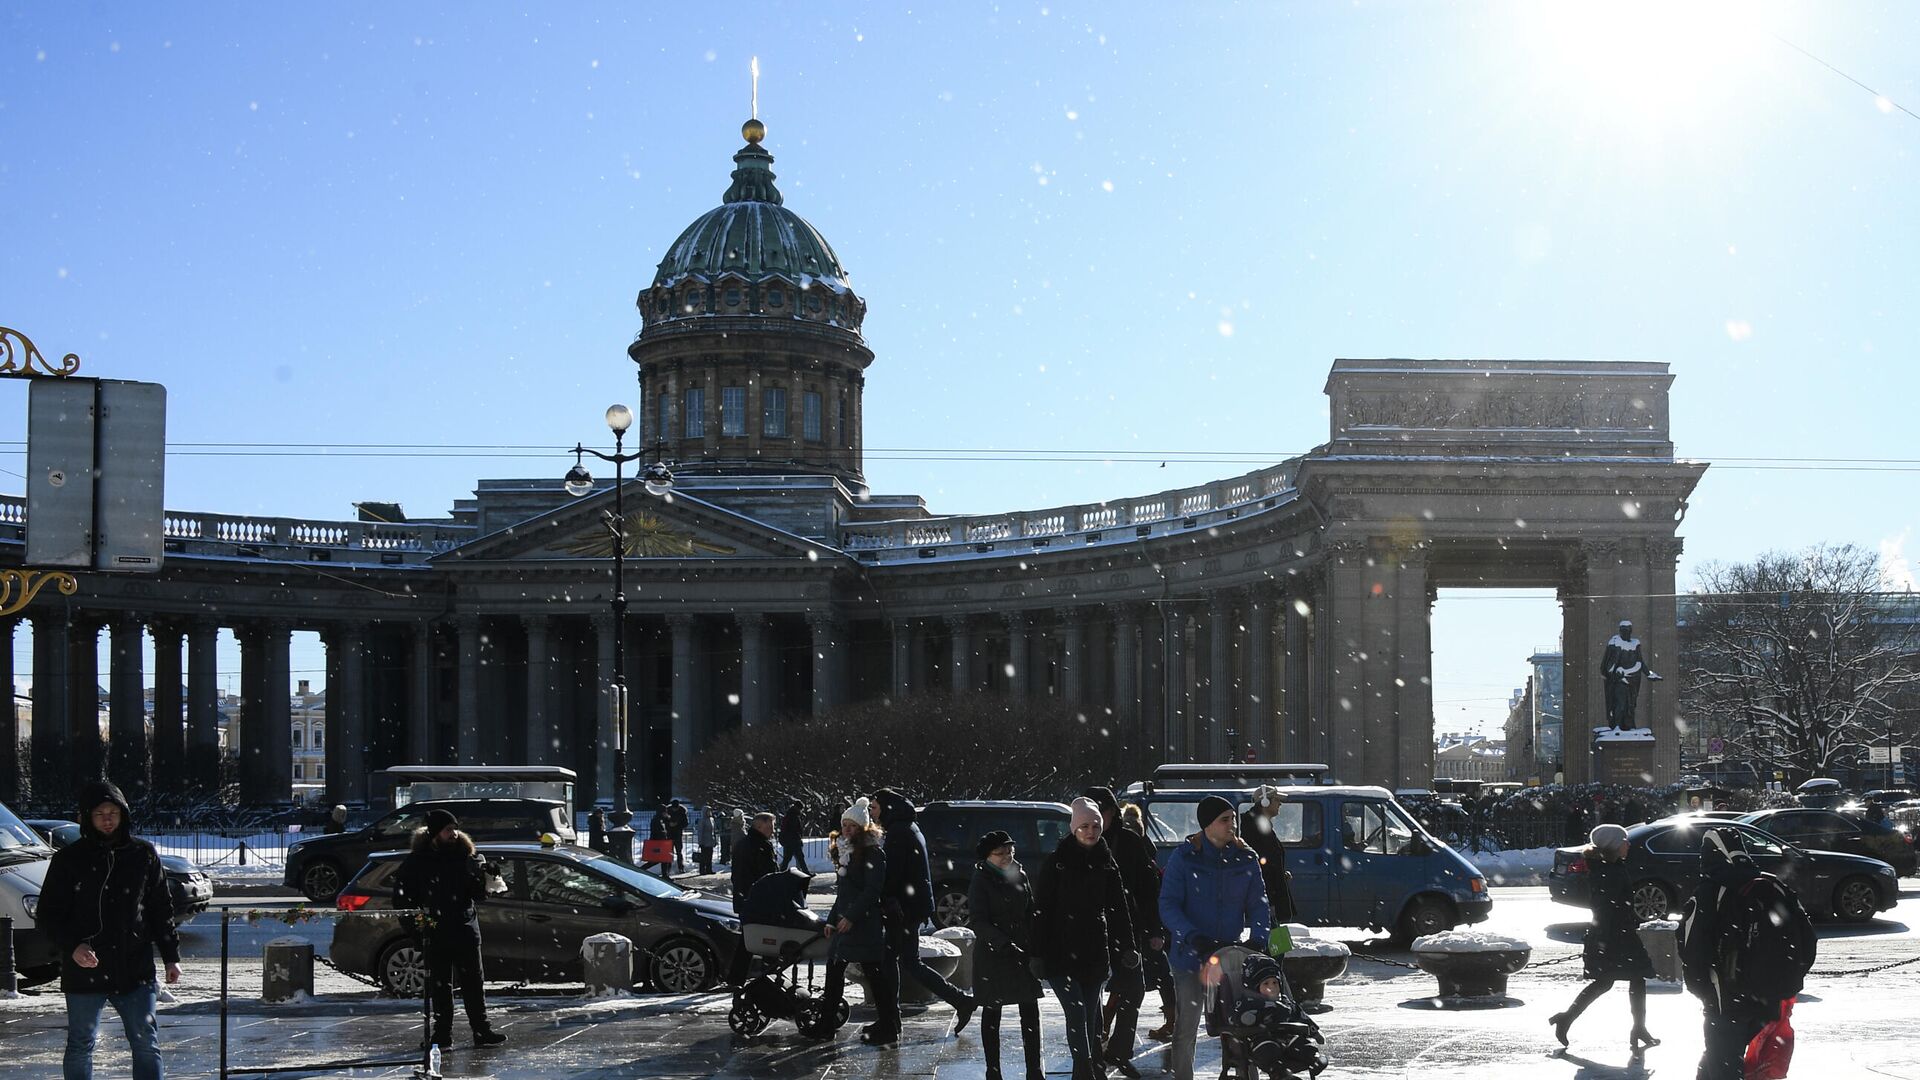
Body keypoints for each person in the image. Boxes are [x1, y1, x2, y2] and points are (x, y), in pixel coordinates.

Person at [39, 780, 181, 1080]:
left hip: (134, 966)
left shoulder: (143, 854)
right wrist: (73, 946)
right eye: (100, 813)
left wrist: (171, 956)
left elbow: (160, 909)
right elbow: (49, 916)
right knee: (81, 1043)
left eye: (113, 812)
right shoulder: (68, 860)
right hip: (84, 968)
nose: (107, 819)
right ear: (87, 817)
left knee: (145, 1041)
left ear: (123, 814)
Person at [1679, 828, 1816, 1080]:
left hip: (1725, 1001)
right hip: (1769, 999)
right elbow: (1807, 940)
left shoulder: (1709, 891)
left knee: (1723, 1062)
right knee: (1731, 1062)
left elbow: (1692, 949)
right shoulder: (1773, 885)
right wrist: (1785, 981)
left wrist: (1704, 991)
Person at [1160, 795, 1271, 1080]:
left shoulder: (1245, 857)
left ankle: (1242, 1073)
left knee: (1241, 1023)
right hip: (1190, 955)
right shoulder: (1184, 857)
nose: (1232, 824)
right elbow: (1168, 904)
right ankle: (1183, 1075)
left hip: (1231, 955)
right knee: (1187, 1025)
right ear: (1207, 825)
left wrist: (1258, 938)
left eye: (1233, 818)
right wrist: (1192, 935)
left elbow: (1258, 903)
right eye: (1225, 819)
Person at [1034, 797, 1138, 1080]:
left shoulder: (1106, 862)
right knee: (1078, 1013)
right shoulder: (1057, 863)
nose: (1091, 831)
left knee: (1092, 1016)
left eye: (1095, 825)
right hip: (1061, 951)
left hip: (1094, 951)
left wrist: (1128, 947)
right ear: (1073, 828)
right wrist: (1036, 953)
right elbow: (1041, 909)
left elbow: (1118, 909)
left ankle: (1093, 1067)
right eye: (1084, 826)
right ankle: (1084, 1070)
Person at [393, 808, 507, 1050]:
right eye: (448, 829)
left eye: (455, 828)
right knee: (440, 986)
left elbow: (478, 895)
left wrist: (487, 877)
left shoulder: (466, 857)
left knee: (473, 983)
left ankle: (481, 1030)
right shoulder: (418, 861)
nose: (454, 833)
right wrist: (418, 930)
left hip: (465, 928)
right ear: (435, 833)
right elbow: (403, 900)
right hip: (436, 931)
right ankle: (442, 1035)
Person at [872, 788, 977, 1034]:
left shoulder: (898, 832)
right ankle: (960, 1001)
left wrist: (883, 895)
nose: (872, 813)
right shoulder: (907, 826)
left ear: (886, 807)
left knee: (892, 961)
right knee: (908, 961)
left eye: (874, 807)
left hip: (903, 909)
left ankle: (890, 1021)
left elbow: (894, 874)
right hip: (912, 906)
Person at [1548, 824, 1658, 1050]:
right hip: (1615, 935)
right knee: (1615, 981)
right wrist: (1603, 940)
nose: (1628, 844)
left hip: (1618, 933)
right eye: (1624, 841)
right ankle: (1568, 1018)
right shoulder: (1609, 871)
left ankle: (1638, 1027)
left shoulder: (1611, 866)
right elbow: (1604, 909)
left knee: (1624, 980)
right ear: (1614, 845)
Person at [1085, 786, 1161, 1078]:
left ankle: (1119, 1049)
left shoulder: (1128, 841)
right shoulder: (1077, 842)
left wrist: (1154, 929)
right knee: (1090, 994)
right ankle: (1092, 1053)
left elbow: (1148, 888)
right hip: (1089, 931)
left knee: (1133, 989)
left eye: (1103, 813)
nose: (1098, 822)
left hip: (1127, 929)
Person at [819, 798, 902, 1046]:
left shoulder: (873, 853)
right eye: (844, 825)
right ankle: (826, 1023)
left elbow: (871, 891)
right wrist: (833, 920)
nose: (846, 829)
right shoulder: (845, 852)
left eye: (852, 826)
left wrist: (851, 917)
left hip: (863, 924)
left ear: (863, 828)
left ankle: (887, 1025)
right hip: (847, 924)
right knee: (835, 970)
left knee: (874, 974)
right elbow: (844, 892)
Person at [968, 830, 1044, 1080]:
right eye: (999, 854)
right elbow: (979, 921)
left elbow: (1030, 910)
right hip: (994, 954)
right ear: (987, 857)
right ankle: (993, 1070)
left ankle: (1034, 1070)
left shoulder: (1018, 873)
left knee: (1030, 1011)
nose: (1006, 857)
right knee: (992, 1012)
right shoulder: (981, 878)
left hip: (1022, 952)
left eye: (1009, 852)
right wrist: (1002, 943)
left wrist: (1036, 943)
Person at [726, 812, 783, 986]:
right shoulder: (758, 846)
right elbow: (765, 875)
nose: (773, 830)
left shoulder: (749, 844)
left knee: (750, 941)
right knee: (765, 939)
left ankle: (739, 978)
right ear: (760, 826)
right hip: (757, 902)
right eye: (771, 826)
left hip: (749, 901)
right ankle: (769, 975)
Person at [1239, 786, 1298, 925]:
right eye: (1277, 800)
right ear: (1265, 802)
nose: (1280, 804)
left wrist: (1279, 875)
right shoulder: (1257, 828)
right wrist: (1270, 895)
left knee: (1272, 936)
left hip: (1268, 894)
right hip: (1266, 896)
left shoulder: (1259, 825)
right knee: (1272, 939)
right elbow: (1262, 864)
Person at [780, 800, 810, 873]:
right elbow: (794, 829)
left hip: (789, 840)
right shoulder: (793, 816)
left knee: (788, 859)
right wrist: (798, 836)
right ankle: (806, 873)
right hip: (794, 840)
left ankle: (780, 873)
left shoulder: (789, 814)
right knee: (800, 858)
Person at [648, 802, 674, 879]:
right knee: (658, 860)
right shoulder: (657, 820)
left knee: (664, 859)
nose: (666, 813)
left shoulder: (661, 819)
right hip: (658, 842)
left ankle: (665, 875)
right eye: (665, 811)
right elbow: (658, 832)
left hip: (661, 842)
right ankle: (640, 870)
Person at [665, 799, 691, 873]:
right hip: (669, 834)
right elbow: (664, 821)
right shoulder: (668, 811)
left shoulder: (682, 812)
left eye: (676, 808)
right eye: (674, 808)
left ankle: (681, 867)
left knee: (679, 852)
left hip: (678, 834)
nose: (674, 809)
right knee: (669, 852)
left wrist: (677, 825)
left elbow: (685, 823)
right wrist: (669, 825)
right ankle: (668, 868)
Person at [696, 804, 718, 875]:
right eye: (708, 811)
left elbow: (714, 831)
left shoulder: (712, 819)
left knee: (709, 856)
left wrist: (715, 840)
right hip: (704, 841)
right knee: (703, 857)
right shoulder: (702, 820)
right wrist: (700, 842)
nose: (709, 812)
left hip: (710, 841)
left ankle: (709, 869)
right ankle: (702, 870)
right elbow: (700, 832)